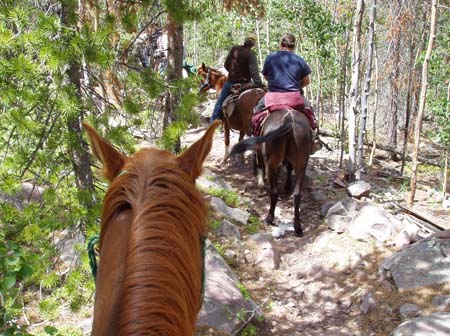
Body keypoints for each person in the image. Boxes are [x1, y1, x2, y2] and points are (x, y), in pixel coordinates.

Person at [256, 32, 320, 152]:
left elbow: (265, 76)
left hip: (273, 97)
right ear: (294, 46)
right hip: (294, 98)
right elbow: (306, 81)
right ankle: (313, 141)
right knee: (310, 113)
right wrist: (296, 85)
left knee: (257, 112)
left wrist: (276, 82)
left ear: (281, 44)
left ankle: (256, 142)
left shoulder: (271, 57)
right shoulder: (299, 60)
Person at [210, 33, 264, 123]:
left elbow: (226, 65)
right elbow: (254, 73)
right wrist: (259, 83)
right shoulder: (251, 54)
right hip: (245, 84)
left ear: (245, 40)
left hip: (230, 83)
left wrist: (232, 73)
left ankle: (212, 124)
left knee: (219, 102)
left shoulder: (234, 48)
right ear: (253, 44)